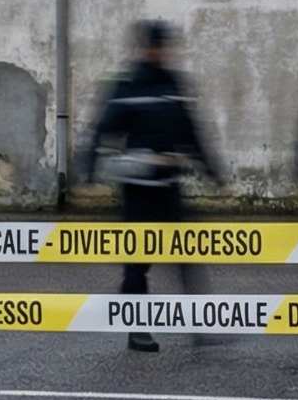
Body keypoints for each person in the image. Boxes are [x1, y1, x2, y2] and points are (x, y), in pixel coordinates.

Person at [83, 20, 222, 352]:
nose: (161, 52)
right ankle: (138, 329)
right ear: (145, 48)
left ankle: (199, 326)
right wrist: (88, 171)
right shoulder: (127, 84)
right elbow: (101, 129)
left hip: (169, 186)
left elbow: (190, 131)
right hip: (138, 190)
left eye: (164, 46)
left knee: (188, 255)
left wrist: (212, 171)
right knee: (137, 262)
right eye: (156, 46)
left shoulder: (173, 83)